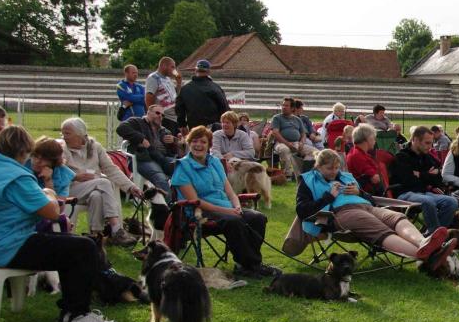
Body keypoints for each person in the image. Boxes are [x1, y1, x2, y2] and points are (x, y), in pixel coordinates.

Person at [0, 125, 113, 322]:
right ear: (22, 152)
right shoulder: (16, 176)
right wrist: (48, 192)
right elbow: (52, 213)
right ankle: (77, 313)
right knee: (84, 248)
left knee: (70, 246)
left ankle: (72, 310)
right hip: (5, 246)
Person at [290, 149, 454, 266]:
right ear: (318, 167)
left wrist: (359, 192)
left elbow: (371, 200)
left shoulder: (346, 177)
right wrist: (328, 196)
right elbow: (302, 210)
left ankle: (423, 242)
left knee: (396, 217)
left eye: (336, 168)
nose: (334, 172)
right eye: (329, 169)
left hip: (366, 206)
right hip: (342, 214)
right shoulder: (308, 181)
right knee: (377, 226)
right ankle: (425, 255)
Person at [170, 126, 277, 279]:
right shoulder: (183, 167)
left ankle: (248, 265)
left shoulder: (215, 162)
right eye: (194, 141)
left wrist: (237, 205)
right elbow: (196, 201)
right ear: (188, 143)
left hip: (226, 208)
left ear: (209, 145)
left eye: (203, 142)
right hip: (199, 213)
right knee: (234, 221)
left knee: (257, 217)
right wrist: (228, 211)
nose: (198, 145)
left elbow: (229, 190)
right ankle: (250, 265)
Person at [60, 117, 141, 245]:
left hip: (95, 189)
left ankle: (96, 237)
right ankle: (116, 228)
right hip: (71, 190)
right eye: (62, 133)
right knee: (103, 182)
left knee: (96, 195)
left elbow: (111, 169)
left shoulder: (95, 147)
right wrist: (75, 176)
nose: (64, 136)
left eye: (67, 133)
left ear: (80, 134)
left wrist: (131, 187)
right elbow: (58, 172)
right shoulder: (61, 149)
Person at [390, 126, 459, 234]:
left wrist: (420, 174)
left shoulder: (427, 157)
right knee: (428, 201)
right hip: (404, 194)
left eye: (431, 143)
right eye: (427, 143)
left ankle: (432, 235)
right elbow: (408, 181)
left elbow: (438, 179)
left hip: (423, 193)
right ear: (415, 140)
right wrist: (428, 176)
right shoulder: (401, 157)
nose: (430, 146)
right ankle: (436, 238)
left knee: (452, 202)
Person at [117, 103, 180, 192]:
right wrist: (141, 139)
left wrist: (174, 141)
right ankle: (167, 205)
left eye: (162, 115)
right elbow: (121, 128)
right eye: (157, 113)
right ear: (148, 113)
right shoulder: (137, 122)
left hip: (163, 159)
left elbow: (174, 152)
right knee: (160, 178)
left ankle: (183, 202)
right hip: (144, 159)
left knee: (183, 169)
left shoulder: (164, 131)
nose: (160, 116)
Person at [176, 59, 230, 131]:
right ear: (208, 71)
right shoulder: (215, 87)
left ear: (195, 70)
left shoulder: (185, 89)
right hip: (213, 129)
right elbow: (225, 108)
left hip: (194, 129)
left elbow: (179, 109)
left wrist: (182, 125)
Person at [270, 97, 316, 180]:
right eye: (283, 105)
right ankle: (288, 175)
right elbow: (275, 133)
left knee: (314, 152)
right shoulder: (277, 118)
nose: (283, 107)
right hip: (281, 143)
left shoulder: (297, 119)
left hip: (297, 143)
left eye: (286, 106)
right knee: (285, 150)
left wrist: (302, 142)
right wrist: (287, 143)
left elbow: (303, 134)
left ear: (292, 108)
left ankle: (304, 172)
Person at [345, 123, 386, 196]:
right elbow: (375, 179)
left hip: (367, 193)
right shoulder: (357, 156)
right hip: (369, 196)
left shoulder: (356, 152)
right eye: (374, 138)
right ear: (368, 139)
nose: (375, 141)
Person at [145, 57, 181, 131]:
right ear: (164, 66)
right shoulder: (154, 77)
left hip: (173, 118)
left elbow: (176, 95)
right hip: (163, 118)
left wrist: (179, 83)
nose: (174, 70)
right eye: (172, 67)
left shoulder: (168, 79)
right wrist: (153, 115)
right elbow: (149, 96)